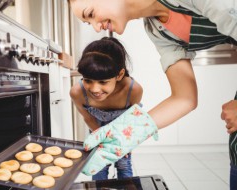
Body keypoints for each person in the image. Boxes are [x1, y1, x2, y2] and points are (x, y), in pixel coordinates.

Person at [68, 0, 237, 188]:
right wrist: (128, 133)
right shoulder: (157, 30)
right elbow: (184, 98)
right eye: (87, 22)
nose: (96, 28)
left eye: (91, 13)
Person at [70, 37, 143, 180]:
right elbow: (88, 117)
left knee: (124, 165)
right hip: (97, 131)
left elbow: (132, 119)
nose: (95, 89)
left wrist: (124, 143)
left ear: (119, 75)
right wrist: (101, 140)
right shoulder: (77, 92)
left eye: (103, 82)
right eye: (88, 80)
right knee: (98, 167)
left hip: (123, 134)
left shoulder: (133, 90)